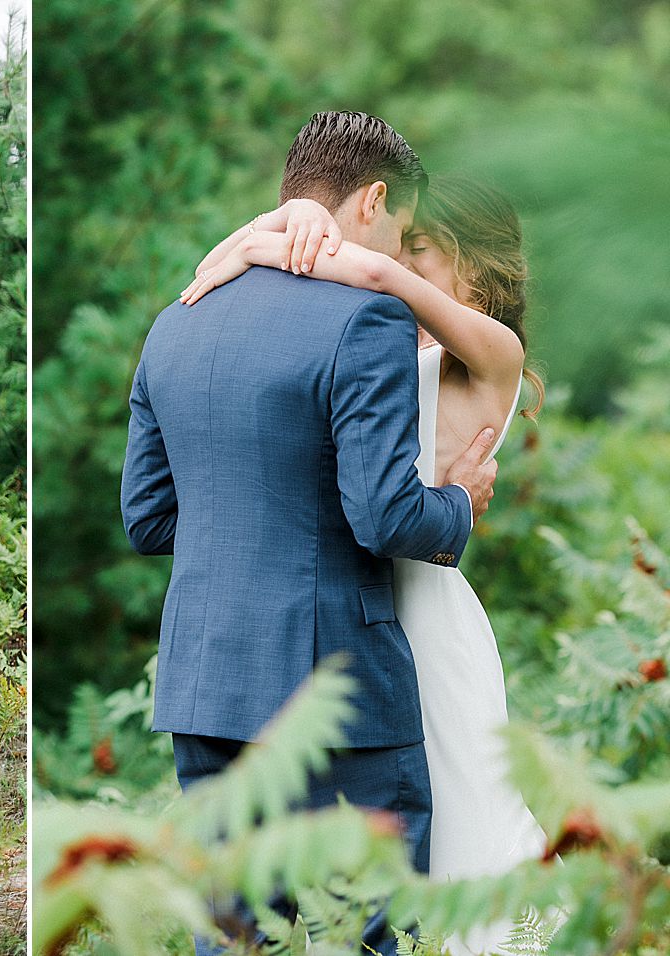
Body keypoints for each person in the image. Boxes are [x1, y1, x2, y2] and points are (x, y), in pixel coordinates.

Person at [120, 111, 499, 956]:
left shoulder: (177, 320)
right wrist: (457, 504)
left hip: (206, 684)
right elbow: (386, 515)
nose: (397, 256)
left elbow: (146, 519)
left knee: (236, 936)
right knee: (371, 933)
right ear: (373, 200)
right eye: (400, 230)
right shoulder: (365, 319)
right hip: (338, 692)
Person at [182, 174, 548, 954]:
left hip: (429, 622)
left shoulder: (494, 354)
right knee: (376, 854)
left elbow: (374, 270)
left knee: (463, 821)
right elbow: (211, 280)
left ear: (475, 261)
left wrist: (274, 237)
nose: (401, 257)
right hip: (361, 616)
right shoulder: (379, 341)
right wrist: (282, 218)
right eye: (404, 243)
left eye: (422, 246)